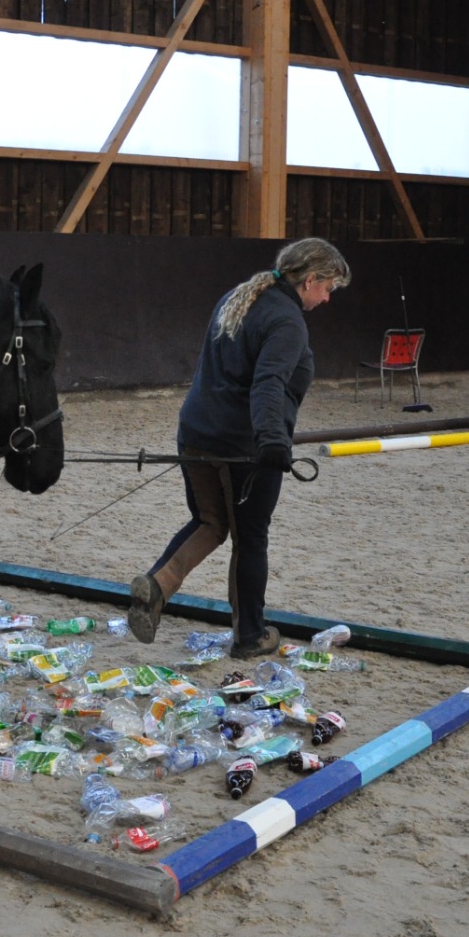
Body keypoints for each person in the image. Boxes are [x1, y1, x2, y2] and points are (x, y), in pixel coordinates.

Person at [128, 238, 350, 660]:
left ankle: (156, 586)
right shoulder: (287, 321)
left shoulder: (239, 295)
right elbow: (268, 384)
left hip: (196, 431)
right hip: (242, 446)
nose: (327, 298)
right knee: (251, 539)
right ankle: (249, 635)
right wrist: (272, 441)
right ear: (310, 279)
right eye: (328, 288)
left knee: (209, 521)